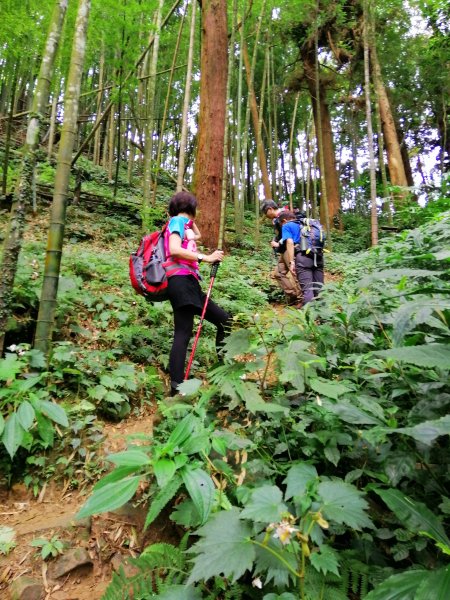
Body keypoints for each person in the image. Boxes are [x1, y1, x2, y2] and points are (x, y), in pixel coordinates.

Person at [164, 191, 231, 396]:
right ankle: (223, 368)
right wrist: (206, 257)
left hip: (184, 282)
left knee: (186, 331)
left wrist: (189, 220)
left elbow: (198, 235)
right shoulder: (176, 223)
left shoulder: (181, 225)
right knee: (222, 321)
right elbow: (174, 249)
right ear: (192, 209)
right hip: (182, 281)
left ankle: (176, 385)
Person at [260, 200, 302, 306]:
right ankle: (293, 295)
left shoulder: (283, 216)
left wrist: (277, 243)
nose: (265, 215)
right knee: (278, 274)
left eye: (265, 213)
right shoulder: (277, 219)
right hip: (284, 251)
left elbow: (288, 235)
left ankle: (303, 300)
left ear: (270, 209)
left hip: (289, 249)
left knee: (295, 274)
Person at [279, 211, 325, 305]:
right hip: (318, 256)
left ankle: (310, 317)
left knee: (307, 290)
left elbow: (290, 242)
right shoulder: (307, 224)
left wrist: (291, 262)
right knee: (319, 289)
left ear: (284, 220)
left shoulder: (287, 226)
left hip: (303, 258)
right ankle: (323, 317)